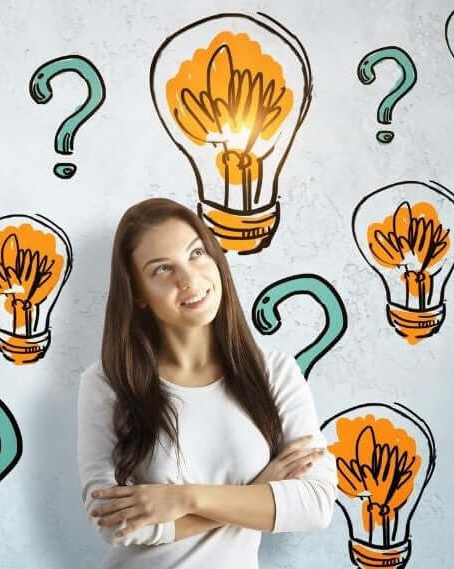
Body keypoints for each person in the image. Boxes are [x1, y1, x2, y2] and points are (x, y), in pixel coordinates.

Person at [76, 197, 338, 569]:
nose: (189, 279)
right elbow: (116, 525)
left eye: (196, 253)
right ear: (138, 294)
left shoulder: (276, 374)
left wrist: (185, 499)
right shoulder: (108, 383)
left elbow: (315, 505)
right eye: (163, 269)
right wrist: (256, 492)